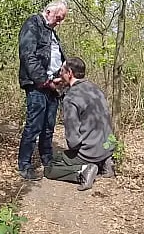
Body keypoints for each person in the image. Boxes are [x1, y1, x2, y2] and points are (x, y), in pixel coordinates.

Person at [44, 56, 116, 191]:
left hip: (88, 152)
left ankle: (82, 172)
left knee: (51, 166)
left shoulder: (71, 97)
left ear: (69, 73)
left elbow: (74, 142)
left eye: (61, 71)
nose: (59, 74)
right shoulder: (96, 89)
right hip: (107, 147)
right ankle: (106, 163)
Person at [17, 0, 68, 180]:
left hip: (53, 87)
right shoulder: (33, 24)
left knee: (48, 127)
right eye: (58, 17)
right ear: (48, 11)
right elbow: (28, 56)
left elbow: (55, 58)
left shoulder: (51, 32)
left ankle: (47, 159)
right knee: (34, 125)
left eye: (62, 19)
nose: (59, 22)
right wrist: (45, 81)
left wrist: (61, 79)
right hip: (38, 85)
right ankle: (24, 165)